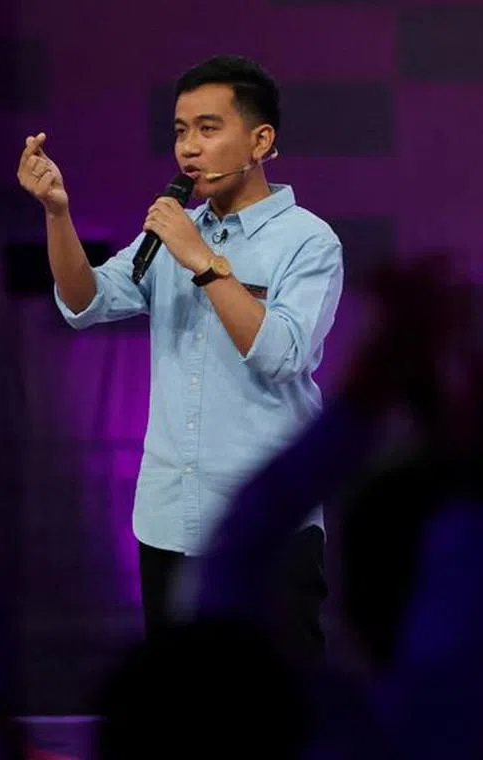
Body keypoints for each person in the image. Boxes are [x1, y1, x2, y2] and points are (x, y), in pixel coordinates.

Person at [17, 54, 344, 661]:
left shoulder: (308, 240)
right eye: (179, 130)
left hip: (266, 523)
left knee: (277, 710)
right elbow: (84, 302)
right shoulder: (171, 232)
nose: (188, 149)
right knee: (182, 711)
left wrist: (202, 261)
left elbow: (281, 353)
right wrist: (57, 213)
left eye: (208, 128)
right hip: (168, 517)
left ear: (260, 140)